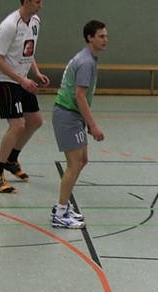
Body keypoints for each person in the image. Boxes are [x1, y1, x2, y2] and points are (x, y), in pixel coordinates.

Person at [0, 0, 50, 194]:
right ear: (27, 1)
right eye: (37, 1)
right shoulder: (9, 25)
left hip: (22, 78)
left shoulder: (35, 21)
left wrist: (36, 72)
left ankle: (11, 160)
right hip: (4, 80)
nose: (41, 5)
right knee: (17, 125)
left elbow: (28, 50)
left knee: (36, 120)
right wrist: (22, 80)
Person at [49, 20, 108, 229]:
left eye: (106, 36)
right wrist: (93, 125)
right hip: (68, 116)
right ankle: (60, 212)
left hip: (74, 116)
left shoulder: (88, 58)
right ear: (90, 38)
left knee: (82, 160)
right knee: (74, 164)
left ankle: (64, 207)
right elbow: (80, 96)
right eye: (101, 36)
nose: (105, 40)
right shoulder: (86, 62)